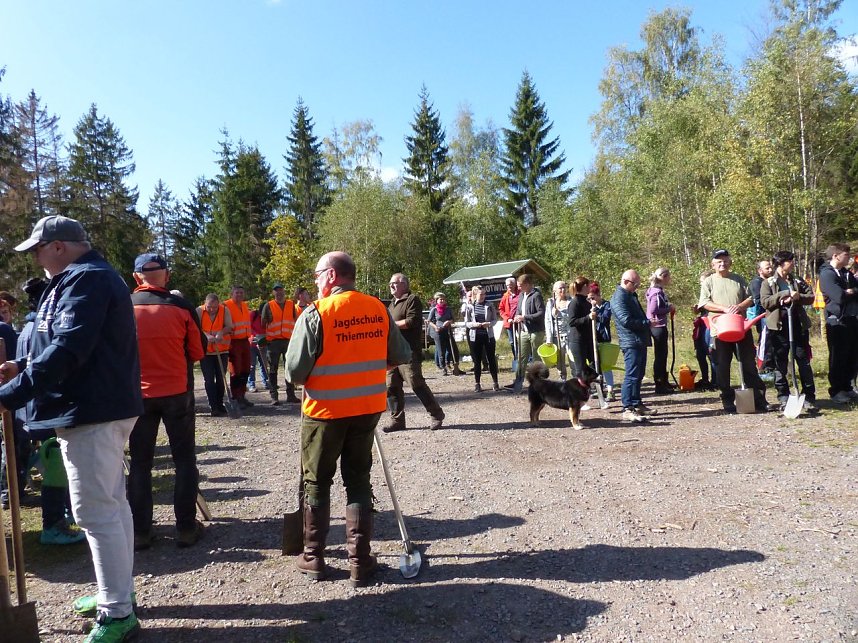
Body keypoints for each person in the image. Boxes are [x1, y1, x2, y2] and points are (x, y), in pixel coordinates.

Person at [0, 215, 143, 641]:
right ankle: (116, 593)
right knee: (112, 505)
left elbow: (69, 348)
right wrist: (23, 366)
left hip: (91, 411)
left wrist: (12, 393)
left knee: (95, 512)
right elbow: (63, 343)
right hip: (93, 406)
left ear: (58, 246)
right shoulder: (81, 279)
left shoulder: (87, 280)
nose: (36, 258)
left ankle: (117, 613)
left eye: (38, 249)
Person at [285, 252, 411, 587]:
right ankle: (359, 559)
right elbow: (399, 356)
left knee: (317, 481)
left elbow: (295, 373)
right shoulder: (377, 309)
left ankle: (313, 556)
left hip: (325, 412)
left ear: (330, 276)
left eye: (316, 275)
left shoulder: (317, 313)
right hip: (367, 410)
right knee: (357, 480)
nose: (314, 282)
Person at [129, 253, 207, 551]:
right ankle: (186, 528)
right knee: (184, 461)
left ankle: (141, 532)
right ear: (167, 276)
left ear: (137, 278)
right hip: (176, 394)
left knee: (140, 464)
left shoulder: (122, 308)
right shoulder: (181, 307)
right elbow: (198, 352)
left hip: (138, 397)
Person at [699, 249, 773, 414]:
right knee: (722, 366)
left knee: (748, 364)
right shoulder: (709, 282)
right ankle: (727, 401)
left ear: (730, 262)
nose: (722, 264)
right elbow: (704, 303)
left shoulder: (738, 279)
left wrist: (739, 307)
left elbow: (751, 299)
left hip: (740, 327)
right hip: (720, 329)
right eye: (719, 261)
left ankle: (759, 399)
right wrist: (724, 309)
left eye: (725, 260)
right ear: (713, 264)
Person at [383, 273, 445, 432]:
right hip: (392, 353)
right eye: (390, 283)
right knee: (391, 386)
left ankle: (436, 414)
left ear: (404, 284)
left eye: (394, 283)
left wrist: (390, 325)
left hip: (408, 352)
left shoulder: (412, 300)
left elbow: (411, 321)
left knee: (415, 382)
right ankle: (397, 420)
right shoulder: (392, 304)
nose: (391, 286)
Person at [759, 251, 818, 414]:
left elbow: (811, 297)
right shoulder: (769, 282)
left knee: (803, 360)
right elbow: (765, 302)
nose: (793, 264)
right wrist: (784, 295)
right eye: (790, 261)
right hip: (778, 327)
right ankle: (783, 396)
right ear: (781, 263)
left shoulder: (796, 279)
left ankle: (809, 396)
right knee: (780, 361)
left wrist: (797, 296)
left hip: (797, 325)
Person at [610, 269, 655, 422]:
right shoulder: (618, 298)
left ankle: (637, 404)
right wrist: (647, 323)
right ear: (626, 282)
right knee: (631, 375)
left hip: (639, 340)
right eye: (635, 284)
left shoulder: (630, 295)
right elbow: (626, 321)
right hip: (630, 342)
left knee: (639, 374)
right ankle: (627, 408)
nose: (637, 287)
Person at [817, 243, 858, 404]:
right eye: (846, 255)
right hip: (836, 321)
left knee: (852, 354)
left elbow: (853, 291)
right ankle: (836, 389)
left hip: (852, 319)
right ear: (836, 256)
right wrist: (848, 292)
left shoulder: (845, 273)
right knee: (838, 356)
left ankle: (847, 386)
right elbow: (838, 297)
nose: (848, 258)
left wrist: (851, 291)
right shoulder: (827, 274)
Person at [262, 283, 301, 405]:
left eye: (280, 290)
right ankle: (274, 396)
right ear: (273, 293)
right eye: (276, 291)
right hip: (273, 342)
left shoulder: (291, 305)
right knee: (273, 369)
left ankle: (291, 395)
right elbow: (263, 323)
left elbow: (297, 320)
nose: (279, 293)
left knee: (289, 368)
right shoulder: (268, 306)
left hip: (289, 341)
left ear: (284, 291)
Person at [196, 293, 233, 417]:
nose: (212, 310)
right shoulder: (199, 311)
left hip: (221, 350)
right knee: (209, 379)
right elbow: (195, 328)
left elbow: (229, 326)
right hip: (205, 352)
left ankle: (220, 403)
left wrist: (221, 332)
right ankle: (213, 406)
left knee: (221, 378)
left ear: (218, 305)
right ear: (205, 303)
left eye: (214, 307)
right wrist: (206, 335)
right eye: (209, 307)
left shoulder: (224, 310)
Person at [510, 274, 545, 394]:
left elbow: (541, 313)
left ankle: (537, 383)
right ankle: (518, 381)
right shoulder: (521, 295)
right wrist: (517, 317)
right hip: (523, 331)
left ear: (527, 284)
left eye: (520, 286)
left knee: (536, 358)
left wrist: (525, 317)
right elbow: (519, 310)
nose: (518, 288)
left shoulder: (536, 295)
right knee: (521, 357)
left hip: (536, 331)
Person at [645, 267, 677, 394]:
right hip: (658, 326)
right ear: (663, 277)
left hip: (658, 325)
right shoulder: (657, 292)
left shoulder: (656, 290)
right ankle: (659, 384)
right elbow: (653, 310)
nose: (670, 279)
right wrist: (669, 309)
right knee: (660, 355)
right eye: (668, 276)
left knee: (662, 355)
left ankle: (664, 381)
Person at [463, 285, 500, 392]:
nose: (483, 296)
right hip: (475, 336)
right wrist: (475, 325)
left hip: (488, 335)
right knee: (477, 360)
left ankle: (495, 382)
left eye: (484, 294)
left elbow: (495, 320)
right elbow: (467, 323)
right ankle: (477, 383)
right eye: (481, 294)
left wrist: (488, 324)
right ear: (475, 295)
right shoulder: (470, 307)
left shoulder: (489, 305)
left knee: (491, 358)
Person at [223, 285, 253, 409]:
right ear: (232, 294)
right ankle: (235, 397)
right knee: (236, 370)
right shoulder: (226, 306)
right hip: (234, 342)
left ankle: (242, 395)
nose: (239, 295)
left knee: (246, 369)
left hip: (245, 340)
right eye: (237, 293)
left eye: (241, 292)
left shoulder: (245, 305)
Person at [563, 277, 596, 382]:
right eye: (589, 286)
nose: (590, 288)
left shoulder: (586, 302)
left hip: (588, 339)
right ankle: (579, 390)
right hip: (578, 340)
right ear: (585, 286)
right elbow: (572, 321)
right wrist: (588, 317)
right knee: (580, 368)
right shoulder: (575, 302)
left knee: (594, 364)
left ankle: (594, 386)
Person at [588, 282, 616, 401]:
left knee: (606, 366)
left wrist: (595, 312)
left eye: (593, 297)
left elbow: (605, 319)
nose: (591, 300)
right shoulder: (588, 306)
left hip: (604, 338)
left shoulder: (607, 305)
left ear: (598, 295)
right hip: (592, 338)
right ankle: (599, 389)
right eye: (589, 298)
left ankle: (610, 391)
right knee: (594, 365)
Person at [692, 270, 717, 391]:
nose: (702, 285)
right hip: (701, 326)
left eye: (703, 282)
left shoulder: (716, 292)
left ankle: (715, 380)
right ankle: (705, 378)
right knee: (700, 353)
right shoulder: (703, 293)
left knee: (712, 353)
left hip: (711, 325)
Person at [545, 280, 572, 379]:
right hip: (557, 336)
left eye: (564, 287)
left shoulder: (571, 301)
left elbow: (572, 318)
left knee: (573, 359)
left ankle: (576, 381)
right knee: (560, 362)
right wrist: (549, 338)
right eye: (560, 288)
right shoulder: (551, 303)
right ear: (554, 290)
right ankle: (562, 379)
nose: (563, 290)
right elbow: (548, 321)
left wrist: (560, 314)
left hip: (570, 335)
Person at [428, 292, 455, 375]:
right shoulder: (434, 310)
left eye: (443, 299)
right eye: (440, 299)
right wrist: (435, 327)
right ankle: (443, 368)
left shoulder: (448, 309)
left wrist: (448, 321)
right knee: (441, 351)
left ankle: (447, 363)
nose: (442, 300)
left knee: (449, 350)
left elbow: (452, 319)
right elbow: (429, 321)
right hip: (438, 332)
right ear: (437, 300)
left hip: (447, 331)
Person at [498, 277, 520, 370]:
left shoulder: (520, 294)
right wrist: (507, 318)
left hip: (520, 321)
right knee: (512, 341)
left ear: (514, 285)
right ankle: (516, 357)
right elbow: (501, 309)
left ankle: (527, 358)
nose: (509, 287)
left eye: (510, 285)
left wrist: (519, 317)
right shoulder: (505, 296)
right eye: (507, 286)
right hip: (509, 323)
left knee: (524, 340)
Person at [248, 305, 269, 393]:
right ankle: (251, 384)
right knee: (252, 365)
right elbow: (247, 326)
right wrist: (254, 336)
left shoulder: (269, 317)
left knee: (264, 364)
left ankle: (266, 382)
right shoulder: (253, 314)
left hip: (264, 343)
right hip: (252, 343)